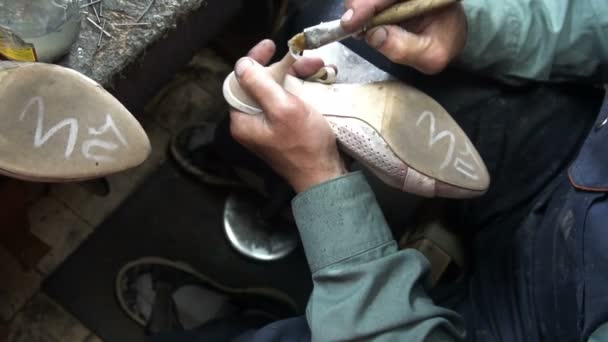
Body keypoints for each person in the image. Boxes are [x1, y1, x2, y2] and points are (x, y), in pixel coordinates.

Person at [119, 0, 608, 340]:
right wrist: (472, 29)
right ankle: (255, 169)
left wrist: (322, 185)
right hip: (579, 151)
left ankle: (251, 323)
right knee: (344, 35)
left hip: (540, 322)